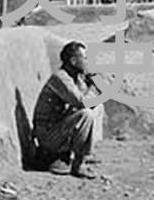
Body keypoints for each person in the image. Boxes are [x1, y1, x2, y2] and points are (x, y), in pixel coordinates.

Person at [33, 41, 104, 179]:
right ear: (73, 61)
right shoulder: (60, 78)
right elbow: (83, 102)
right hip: (48, 135)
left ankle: (84, 153)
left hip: (60, 129)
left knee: (97, 107)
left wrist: (94, 83)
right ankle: (78, 165)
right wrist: (95, 88)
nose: (88, 62)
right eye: (85, 58)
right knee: (85, 114)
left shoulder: (77, 78)